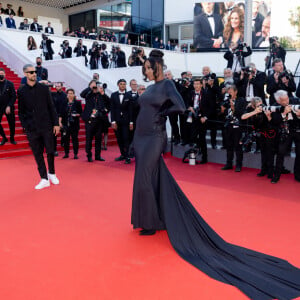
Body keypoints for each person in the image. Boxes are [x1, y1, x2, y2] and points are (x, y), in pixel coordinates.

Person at [131, 50, 300, 299]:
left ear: (155, 67)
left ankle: (152, 220)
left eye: (147, 67)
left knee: (146, 180)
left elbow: (179, 106)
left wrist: (160, 115)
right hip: (141, 136)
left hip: (155, 136)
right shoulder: (149, 87)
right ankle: (152, 218)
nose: (144, 71)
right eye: (143, 67)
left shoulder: (167, 84)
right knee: (148, 179)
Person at [18, 64, 60, 190]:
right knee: (37, 154)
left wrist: (56, 123)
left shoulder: (44, 88)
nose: (34, 74)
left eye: (35, 72)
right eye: (31, 72)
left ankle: (52, 173)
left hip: (46, 125)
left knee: (50, 151)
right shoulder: (21, 91)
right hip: (32, 128)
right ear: (25, 74)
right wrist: (26, 126)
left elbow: (51, 107)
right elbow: (21, 111)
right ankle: (44, 178)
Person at [241, 97, 275, 178]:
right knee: (263, 153)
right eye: (258, 105)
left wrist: (268, 115)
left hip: (269, 133)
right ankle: (263, 170)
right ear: (253, 106)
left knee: (269, 153)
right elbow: (243, 117)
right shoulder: (251, 110)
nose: (260, 106)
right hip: (260, 134)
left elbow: (272, 122)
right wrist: (254, 112)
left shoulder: (266, 108)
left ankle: (270, 172)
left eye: (261, 104)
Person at [271, 90, 300, 183]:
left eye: (287, 98)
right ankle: (276, 176)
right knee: (280, 153)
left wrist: (299, 115)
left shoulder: (295, 101)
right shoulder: (275, 106)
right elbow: (275, 121)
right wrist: (283, 114)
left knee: (299, 154)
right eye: (283, 100)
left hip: (297, 130)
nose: (287, 101)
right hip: (285, 132)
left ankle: (298, 175)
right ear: (279, 101)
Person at [81, 81, 110, 162]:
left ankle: (98, 156)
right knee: (89, 139)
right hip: (90, 120)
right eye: (94, 86)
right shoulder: (88, 94)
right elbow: (81, 94)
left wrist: (103, 93)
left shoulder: (101, 95)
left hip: (99, 120)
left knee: (98, 139)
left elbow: (109, 102)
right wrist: (90, 87)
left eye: (96, 86)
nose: (95, 88)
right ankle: (89, 155)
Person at [220, 84, 246, 172]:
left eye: (231, 91)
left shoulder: (241, 100)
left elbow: (242, 114)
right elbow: (222, 114)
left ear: (236, 92)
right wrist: (222, 110)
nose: (229, 93)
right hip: (228, 125)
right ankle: (229, 163)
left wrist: (233, 108)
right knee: (229, 146)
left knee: (238, 146)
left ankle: (238, 165)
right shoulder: (226, 100)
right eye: (228, 92)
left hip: (238, 126)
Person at [111, 79, 132, 164]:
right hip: (117, 121)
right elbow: (112, 109)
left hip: (126, 121)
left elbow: (130, 110)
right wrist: (113, 121)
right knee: (119, 139)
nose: (123, 85)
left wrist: (131, 122)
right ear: (118, 85)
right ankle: (122, 154)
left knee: (126, 139)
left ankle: (128, 156)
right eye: (121, 84)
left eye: (124, 84)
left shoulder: (128, 95)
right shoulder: (113, 95)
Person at [59, 89, 82, 159]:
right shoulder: (64, 103)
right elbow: (61, 113)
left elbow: (81, 113)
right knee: (66, 139)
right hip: (66, 124)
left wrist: (76, 115)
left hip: (74, 124)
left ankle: (75, 154)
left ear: (74, 94)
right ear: (67, 95)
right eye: (68, 93)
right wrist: (60, 122)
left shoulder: (77, 103)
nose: (70, 95)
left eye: (71, 93)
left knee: (75, 139)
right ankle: (66, 153)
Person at [0, 68, 16, 145]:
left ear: (5, 74)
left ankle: (12, 138)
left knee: (12, 124)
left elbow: (13, 96)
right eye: (0, 74)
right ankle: (4, 137)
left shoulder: (10, 84)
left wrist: (9, 105)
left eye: (2, 73)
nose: (1, 75)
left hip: (8, 107)